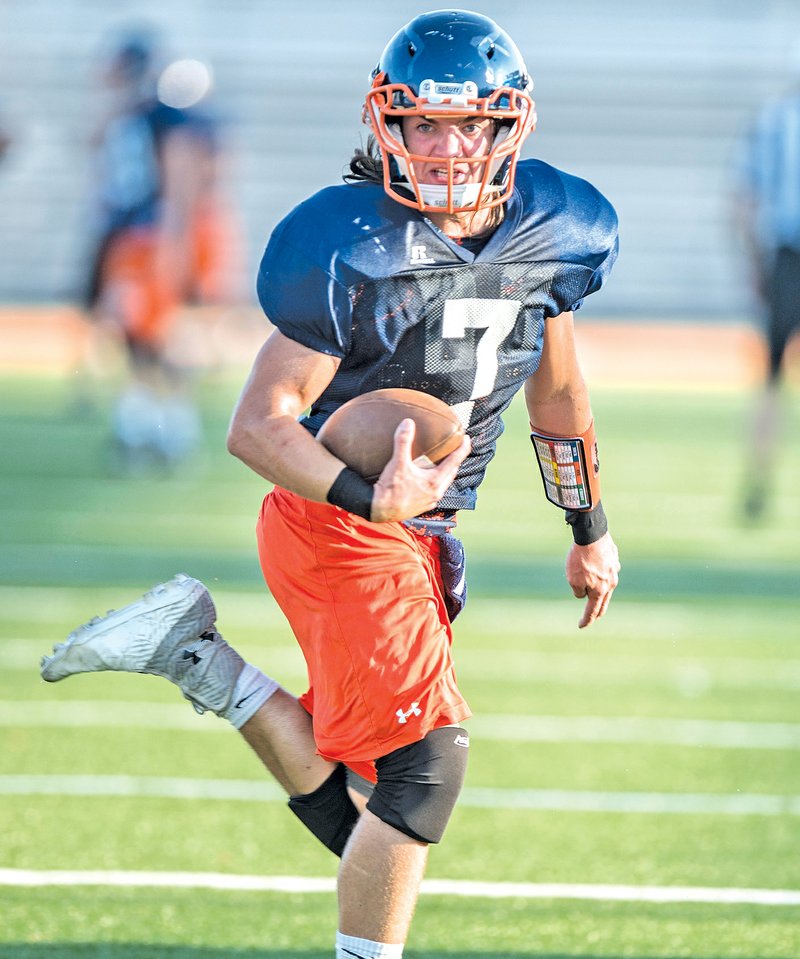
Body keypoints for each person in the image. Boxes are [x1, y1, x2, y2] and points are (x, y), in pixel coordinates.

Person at [41, 11, 621, 956]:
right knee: (423, 772)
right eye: (421, 123)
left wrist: (588, 524)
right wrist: (367, 500)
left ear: (508, 126)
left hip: (417, 527)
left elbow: (558, 392)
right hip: (339, 518)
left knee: (376, 785)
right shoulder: (350, 239)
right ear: (385, 124)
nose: (443, 147)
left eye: (465, 123)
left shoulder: (562, 228)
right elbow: (257, 422)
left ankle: (202, 663)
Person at [82, 27, 239, 469]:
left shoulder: (165, 117)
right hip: (129, 235)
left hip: (149, 237)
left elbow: (180, 179)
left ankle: (169, 429)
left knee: (157, 335)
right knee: (131, 332)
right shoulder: (130, 115)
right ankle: (141, 423)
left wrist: (175, 242)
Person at [734, 43, 800, 520]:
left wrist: (756, 264)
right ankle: (757, 477)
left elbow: (744, 198)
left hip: (784, 255)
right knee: (772, 376)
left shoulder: (777, 118)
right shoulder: (776, 119)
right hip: (785, 252)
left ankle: (758, 479)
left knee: (773, 378)